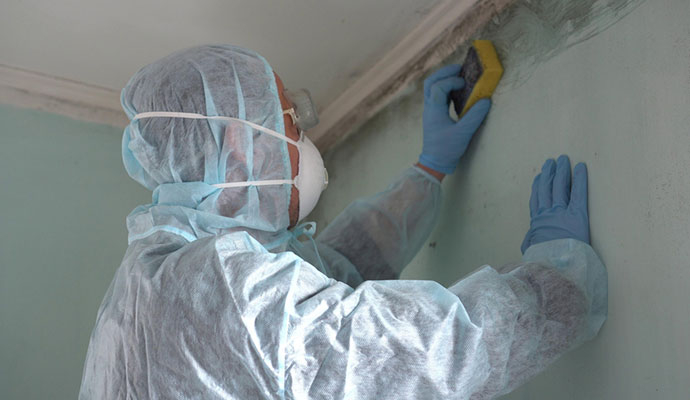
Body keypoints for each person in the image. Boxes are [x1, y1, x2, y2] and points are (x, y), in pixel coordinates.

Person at [79, 45, 607, 399]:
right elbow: (416, 353)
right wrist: (557, 285)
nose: (303, 137)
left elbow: (333, 269)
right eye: (290, 120)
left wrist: (428, 170)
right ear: (239, 148)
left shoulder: (147, 288)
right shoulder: (225, 286)